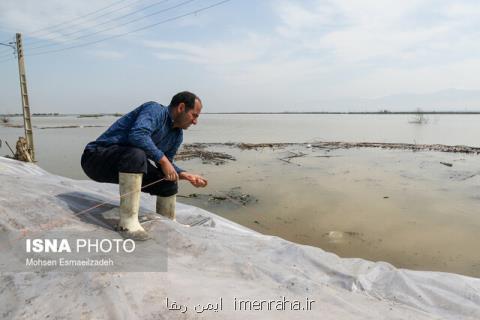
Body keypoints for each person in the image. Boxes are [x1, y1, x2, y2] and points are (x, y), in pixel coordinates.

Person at [81, 91, 208, 241]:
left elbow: (167, 165)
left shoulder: (177, 135)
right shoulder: (154, 110)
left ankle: (168, 220)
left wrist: (185, 174)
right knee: (136, 154)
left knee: (167, 180)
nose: (195, 121)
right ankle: (127, 223)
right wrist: (164, 161)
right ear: (181, 107)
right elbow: (138, 135)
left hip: (128, 166)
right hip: (96, 158)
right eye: (194, 115)